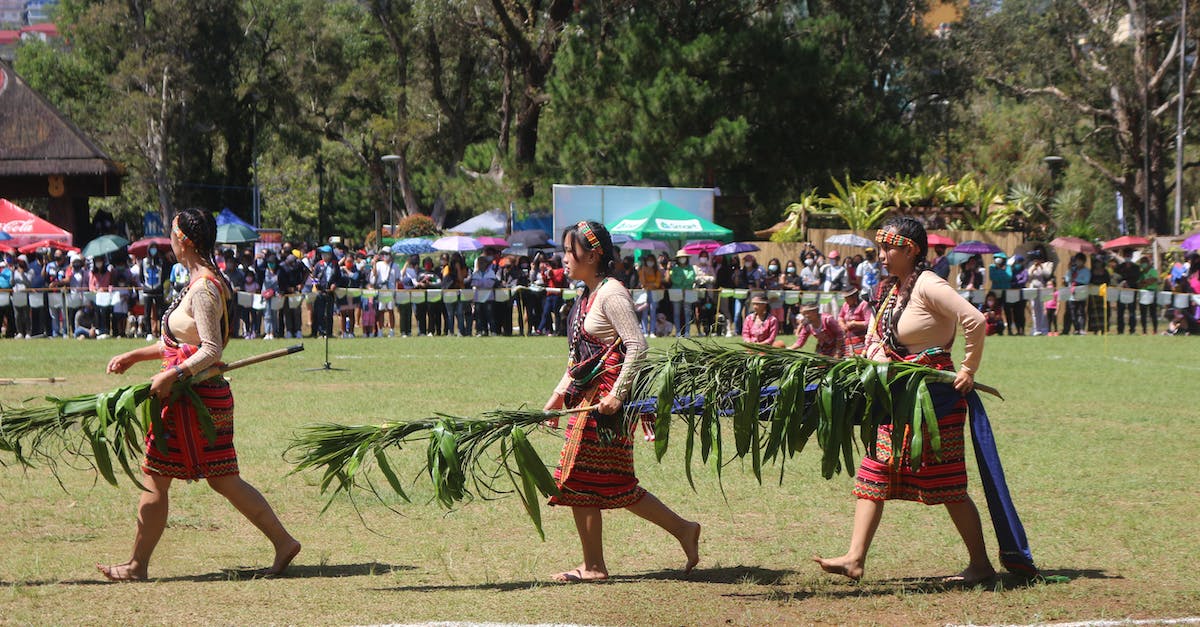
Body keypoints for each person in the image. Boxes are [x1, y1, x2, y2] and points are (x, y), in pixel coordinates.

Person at [96, 208, 300, 581]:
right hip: (191, 395)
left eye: (172, 234)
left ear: (184, 241)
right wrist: (133, 356)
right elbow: (179, 343)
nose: (169, 240)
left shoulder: (205, 287)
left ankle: (137, 566)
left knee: (160, 474)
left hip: (195, 401)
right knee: (219, 478)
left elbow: (210, 351)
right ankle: (283, 542)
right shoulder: (197, 282)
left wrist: (171, 375)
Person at [815, 216, 999, 585]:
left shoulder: (928, 284)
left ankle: (980, 565)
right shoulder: (891, 290)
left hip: (934, 397)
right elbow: (874, 334)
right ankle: (855, 558)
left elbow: (974, 320)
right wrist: (873, 354)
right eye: (880, 247)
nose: (881, 255)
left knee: (947, 484)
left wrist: (968, 369)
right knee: (875, 470)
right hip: (896, 394)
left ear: (911, 249)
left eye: (887, 248)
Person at [542, 220, 700, 583]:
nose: (564, 257)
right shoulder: (587, 294)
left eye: (570, 250)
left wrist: (617, 394)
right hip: (591, 401)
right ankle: (682, 530)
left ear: (593, 254)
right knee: (607, 483)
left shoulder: (612, 293)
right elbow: (580, 360)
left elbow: (637, 345)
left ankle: (595, 566)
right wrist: (553, 400)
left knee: (582, 481)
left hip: (607, 406)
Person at [1025, 251, 1054, 336]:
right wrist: (1034, 267)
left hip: (1043, 288)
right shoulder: (1031, 264)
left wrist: (1041, 266)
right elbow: (1028, 275)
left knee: (1043, 309)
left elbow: (1047, 274)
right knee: (1034, 309)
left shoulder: (1048, 264)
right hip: (1033, 288)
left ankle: (1044, 329)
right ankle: (1036, 329)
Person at [838, 287, 872, 356]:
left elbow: (869, 323)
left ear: (854, 297)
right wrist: (842, 325)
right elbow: (840, 317)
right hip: (849, 340)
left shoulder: (864, 305)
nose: (846, 300)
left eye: (847, 298)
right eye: (845, 298)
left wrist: (854, 324)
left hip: (862, 340)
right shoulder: (845, 305)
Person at [669, 250, 696, 337]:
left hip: (688, 291)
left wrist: (682, 282)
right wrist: (683, 280)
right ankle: (678, 332)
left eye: (683, 257)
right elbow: (674, 279)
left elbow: (691, 279)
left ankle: (687, 332)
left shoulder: (691, 268)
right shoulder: (675, 269)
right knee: (676, 313)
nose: (682, 259)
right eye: (680, 258)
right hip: (676, 291)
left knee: (687, 313)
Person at [637, 254, 665, 337]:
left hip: (654, 293)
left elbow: (657, 283)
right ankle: (645, 331)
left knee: (653, 312)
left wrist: (649, 284)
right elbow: (642, 283)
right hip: (644, 292)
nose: (650, 262)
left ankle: (652, 331)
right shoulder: (642, 269)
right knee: (644, 312)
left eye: (651, 260)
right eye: (648, 260)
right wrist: (649, 283)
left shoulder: (656, 270)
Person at [1064, 253, 1090, 335]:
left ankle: (1082, 328)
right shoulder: (1072, 269)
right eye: (1077, 260)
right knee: (1072, 312)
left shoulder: (1086, 271)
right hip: (1071, 294)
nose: (1078, 262)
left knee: (1081, 311)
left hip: (1081, 293)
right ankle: (1076, 328)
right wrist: (1070, 274)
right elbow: (1067, 279)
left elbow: (1086, 280)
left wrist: (1076, 281)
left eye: (1079, 260)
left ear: (1083, 261)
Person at [1137, 256, 1160, 334]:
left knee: (1153, 313)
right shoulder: (1141, 273)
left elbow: (1153, 280)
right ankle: (1144, 331)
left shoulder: (1153, 271)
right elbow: (1139, 284)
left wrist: (1144, 282)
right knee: (1143, 313)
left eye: (1144, 262)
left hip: (1152, 293)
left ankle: (1155, 330)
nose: (1143, 264)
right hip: (1143, 294)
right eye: (1142, 263)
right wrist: (1146, 282)